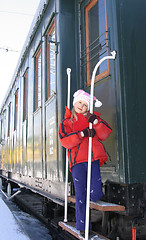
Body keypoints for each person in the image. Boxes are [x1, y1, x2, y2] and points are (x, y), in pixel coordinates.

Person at [59, 89, 112, 237]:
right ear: (75, 104)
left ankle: (92, 200)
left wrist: (95, 122)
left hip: (92, 159)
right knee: (80, 196)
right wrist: (81, 134)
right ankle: (83, 226)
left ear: (88, 107)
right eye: (79, 102)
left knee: (95, 193)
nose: (81, 106)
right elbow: (65, 141)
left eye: (84, 104)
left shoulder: (93, 119)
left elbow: (104, 134)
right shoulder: (67, 122)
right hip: (77, 163)